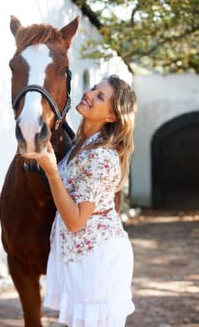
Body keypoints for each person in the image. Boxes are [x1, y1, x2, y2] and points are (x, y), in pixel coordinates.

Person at [33, 74, 137, 327]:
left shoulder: (101, 157)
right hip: (78, 256)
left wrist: (51, 171)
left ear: (112, 116)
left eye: (100, 96)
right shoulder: (81, 145)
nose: (88, 94)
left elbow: (76, 221)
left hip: (97, 262)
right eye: (92, 89)